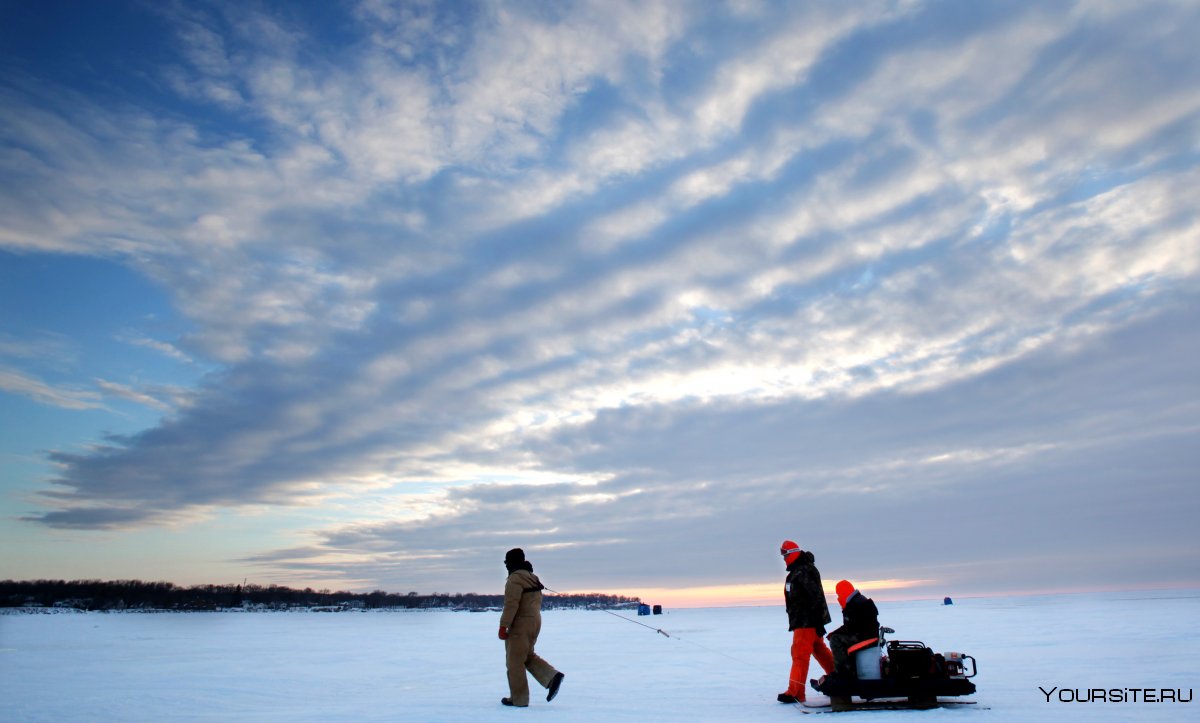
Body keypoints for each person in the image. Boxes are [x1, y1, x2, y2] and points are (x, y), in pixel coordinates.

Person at [498, 548, 564, 707]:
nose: (506, 565)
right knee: (526, 656)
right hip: (535, 622)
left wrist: (503, 626)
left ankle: (519, 699)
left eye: (507, 562)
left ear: (512, 562)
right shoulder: (532, 577)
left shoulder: (515, 579)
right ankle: (551, 677)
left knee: (514, 661)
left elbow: (511, 605)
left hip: (520, 624)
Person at [778, 540, 835, 704]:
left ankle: (795, 692)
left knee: (799, 656)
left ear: (793, 553)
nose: (783, 558)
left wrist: (818, 622)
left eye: (785, 554)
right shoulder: (800, 570)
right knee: (819, 650)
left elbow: (815, 597)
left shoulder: (803, 571)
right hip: (806, 622)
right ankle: (840, 680)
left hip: (806, 623)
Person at [826, 580, 880, 676]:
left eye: (838, 594)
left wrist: (834, 634)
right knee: (838, 637)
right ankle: (851, 670)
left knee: (836, 640)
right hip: (868, 634)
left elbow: (851, 627)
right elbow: (852, 626)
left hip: (865, 636)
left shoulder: (854, 604)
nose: (838, 597)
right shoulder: (858, 600)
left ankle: (843, 674)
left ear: (843, 592)